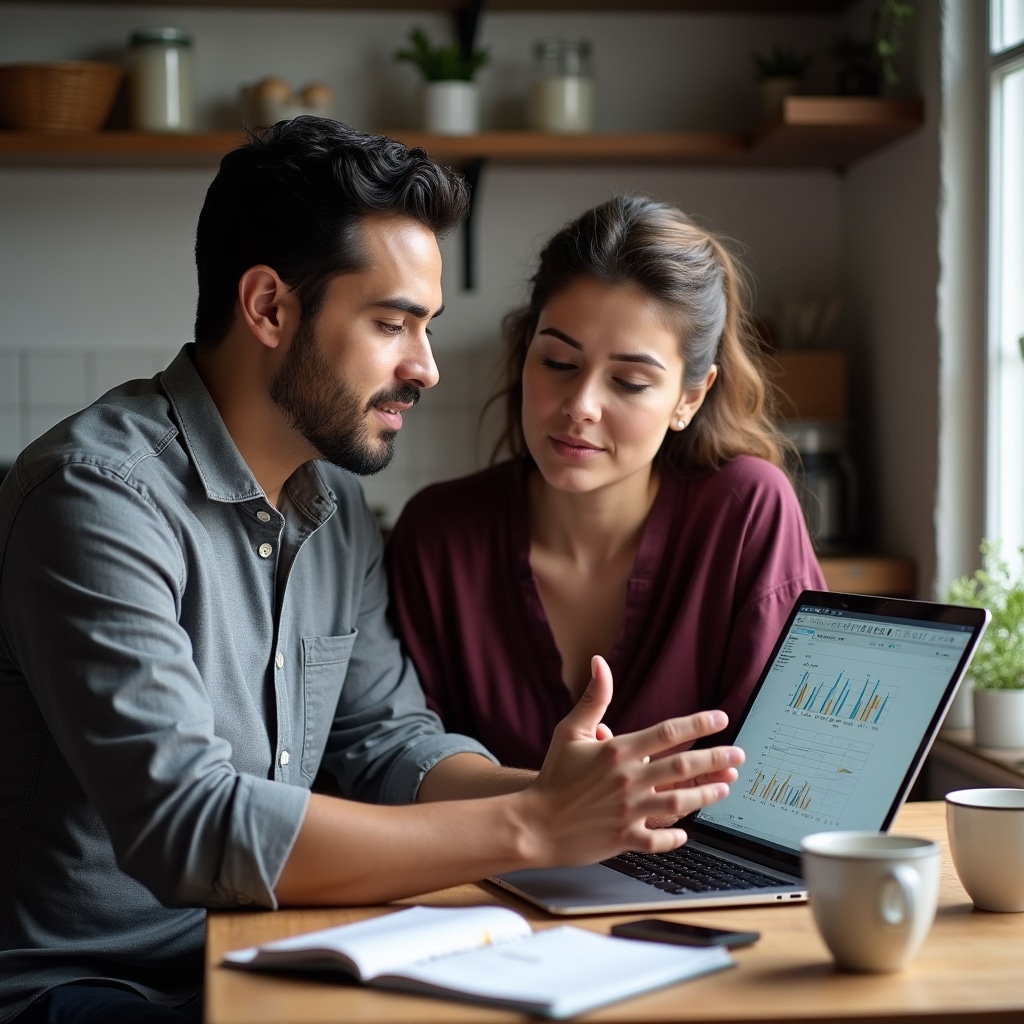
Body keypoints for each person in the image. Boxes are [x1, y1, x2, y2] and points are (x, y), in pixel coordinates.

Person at [0, 121, 745, 1024]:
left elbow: (385, 745)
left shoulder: (333, 504)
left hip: (264, 951)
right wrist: (535, 826)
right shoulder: (98, 497)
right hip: (90, 989)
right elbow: (186, 825)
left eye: (425, 326)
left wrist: (575, 795)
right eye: (393, 323)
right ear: (270, 308)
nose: (425, 366)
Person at [386, 194, 826, 771]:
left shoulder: (747, 511)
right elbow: (397, 762)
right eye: (559, 364)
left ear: (689, 398)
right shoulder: (438, 534)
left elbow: (792, 766)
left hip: (692, 861)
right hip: (482, 863)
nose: (581, 406)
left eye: (630, 382)